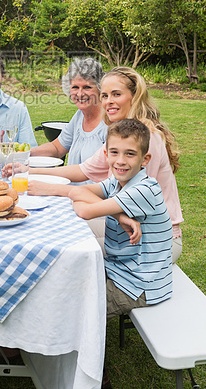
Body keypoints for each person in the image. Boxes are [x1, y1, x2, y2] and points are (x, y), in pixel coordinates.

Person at [28, 66, 183, 262]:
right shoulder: (121, 134)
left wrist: (56, 190)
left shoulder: (146, 137)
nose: (108, 101)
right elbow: (83, 170)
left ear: (134, 96)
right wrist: (27, 170)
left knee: (67, 252)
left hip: (154, 241)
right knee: (55, 229)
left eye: (116, 94)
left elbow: (124, 204)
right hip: (127, 228)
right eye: (105, 95)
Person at [69, 118, 173, 320]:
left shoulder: (144, 189)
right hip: (119, 270)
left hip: (139, 285)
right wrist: (119, 215)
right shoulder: (117, 182)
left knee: (73, 309)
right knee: (67, 281)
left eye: (130, 154)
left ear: (145, 159)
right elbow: (77, 193)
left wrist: (83, 200)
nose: (121, 161)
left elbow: (83, 211)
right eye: (115, 152)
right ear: (106, 154)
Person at [30, 57, 107, 166]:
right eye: (75, 87)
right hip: (70, 182)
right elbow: (57, 148)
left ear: (100, 88)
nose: (80, 94)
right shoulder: (80, 116)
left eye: (87, 87)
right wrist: (24, 153)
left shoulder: (109, 122)